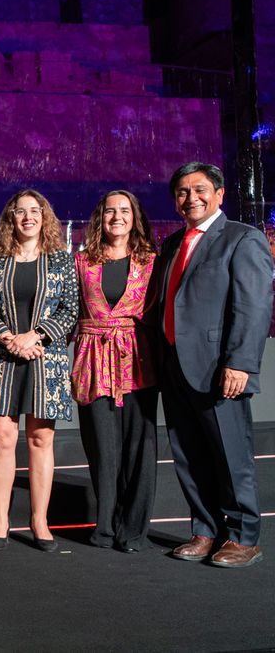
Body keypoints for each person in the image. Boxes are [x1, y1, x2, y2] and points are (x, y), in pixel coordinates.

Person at [155, 162, 273, 568]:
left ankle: (242, 537)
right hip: (174, 367)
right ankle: (206, 530)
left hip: (219, 368)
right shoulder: (172, 244)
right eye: (183, 192)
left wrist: (240, 363)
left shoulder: (242, 239)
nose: (192, 198)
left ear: (220, 194)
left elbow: (253, 307)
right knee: (188, 453)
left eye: (200, 189)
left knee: (230, 454)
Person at [0, 189, 77, 552]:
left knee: (40, 440)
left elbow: (69, 309)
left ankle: (39, 521)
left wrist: (34, 336)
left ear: (44, 217)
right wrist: (8, 339)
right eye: (21, 212)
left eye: (35, 211)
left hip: (44, 360)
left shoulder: (62, 261)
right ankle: (1, 521)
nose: (28, 217)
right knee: (3, 440)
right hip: (3, 361)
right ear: (11, 219)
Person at [72, 190, 159, 553]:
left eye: (124, 211)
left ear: (135, 217)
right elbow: (68, 310)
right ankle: (105, 526)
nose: (117, 217)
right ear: (100, 217)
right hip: (92, 359)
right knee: (102, 449)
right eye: (110, 211)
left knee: (140, 447)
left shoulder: (152, 262)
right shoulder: (81, 262)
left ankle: (134, 530)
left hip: (138, 359)